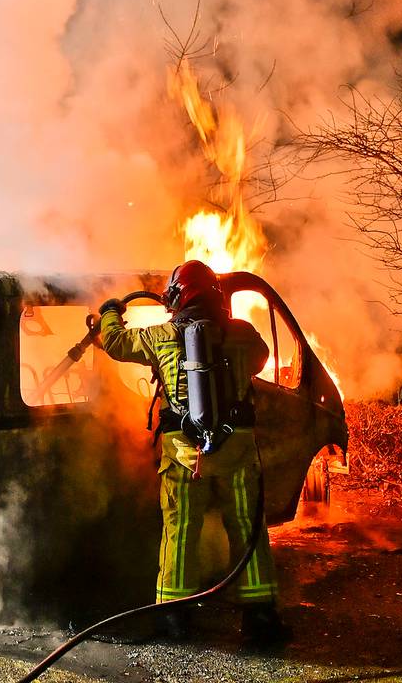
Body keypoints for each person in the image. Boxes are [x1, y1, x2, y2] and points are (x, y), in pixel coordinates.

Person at [97, 260, 289, 646]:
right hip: (236, 450)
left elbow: (115, 343)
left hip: (185, 455)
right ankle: (260, 618)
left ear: (174, 297)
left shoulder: (159, 336)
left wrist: (109, 313)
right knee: (248, 530)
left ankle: (174, 620)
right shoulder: (243, 335)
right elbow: (260, 358)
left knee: (180, 532)